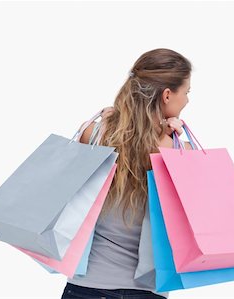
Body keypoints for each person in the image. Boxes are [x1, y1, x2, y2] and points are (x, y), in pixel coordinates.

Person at [61, 48, 193, 299]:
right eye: (186, 92)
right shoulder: (179, 152)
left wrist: (103, 126)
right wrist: (174, 139)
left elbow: (68, 192)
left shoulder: (94, 135)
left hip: (85, 286)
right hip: (146, 291)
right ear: (167, 95)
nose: (186, 100)